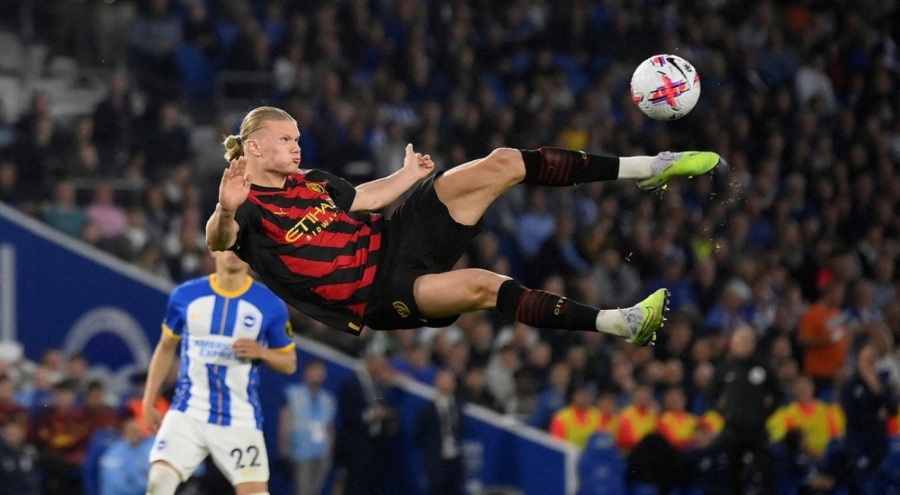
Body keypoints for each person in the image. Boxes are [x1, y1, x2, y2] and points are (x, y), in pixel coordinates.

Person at [205, 106, 723, 342]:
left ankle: (645, 168)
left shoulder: (312, 180)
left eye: (297, 138)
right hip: (380, 294)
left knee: (501, 162)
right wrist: (226, 209)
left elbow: (360, 199)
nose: (296, 146)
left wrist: (407, 175)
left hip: (394, 237)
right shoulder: (243, 201)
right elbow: (219, 241)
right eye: (286, 140)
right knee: (483, 285)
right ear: (254, 147)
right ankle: (618, 323)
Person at [141, 249, 297, 495]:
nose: (234, 251)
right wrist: (149, 400)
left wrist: (262, 352)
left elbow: (289, 362)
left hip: (239, 417)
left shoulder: (270, 305)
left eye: (242, 244)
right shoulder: (185, 296)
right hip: (188, 412)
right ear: (213, 250)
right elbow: (165, 347)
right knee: (159, 481)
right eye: (227, 244)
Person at [707, 326, 781, 495]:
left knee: (763, 473)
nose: (743, 345)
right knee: (733, 475)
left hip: (757, 430)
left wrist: (765, 414)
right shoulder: (724, 368)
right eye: (740, 341)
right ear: (732, 344)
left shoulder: (763, 367)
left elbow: (778, 394)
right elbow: (711, 396)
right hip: (732, 431)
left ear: (753, 344)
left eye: (747, 341)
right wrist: (724, 413)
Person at [279, 359, 336, 495]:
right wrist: (283, 448)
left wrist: (330, 452)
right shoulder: (293, 393)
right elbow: (285, 421)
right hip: (300, 450)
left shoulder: (328, 398)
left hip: (322, 451)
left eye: (321, 372)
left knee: (316, 490)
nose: (318, 375)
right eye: (315, 371)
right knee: (303, 490)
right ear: (306, 372)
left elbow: (329, 427)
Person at [415, 369, 465, 495]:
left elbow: (461, 430)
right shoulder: (427, 409)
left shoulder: (458, 407)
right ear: (436, 383)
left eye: (449, 382)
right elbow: (419, 435)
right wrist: (431, 451)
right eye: (443, 381)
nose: (446, 385)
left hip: (454, 460)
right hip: (436, 461)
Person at [98, 410, 153, 495]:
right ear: (124, 431)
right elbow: (120, 485)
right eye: (131, 430)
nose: (134, 433)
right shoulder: (113, 453)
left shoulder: (150, 445)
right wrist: (147, 480)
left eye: (136, 430)